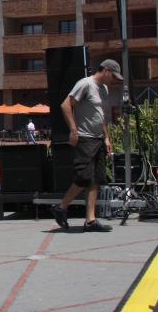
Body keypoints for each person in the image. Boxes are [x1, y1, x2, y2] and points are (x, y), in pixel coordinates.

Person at [52, 59, 122, 233]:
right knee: (83, 177)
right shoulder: (85, 84)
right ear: (105, 70)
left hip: (98, 139)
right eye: (113, 76)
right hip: (85, 138)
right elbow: (65, 105)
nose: (113, 80)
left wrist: (106, 138)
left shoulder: (103, 89)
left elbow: (101, 116)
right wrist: (73, 130)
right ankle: (61, 207)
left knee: (95, 180)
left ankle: (90, 221)